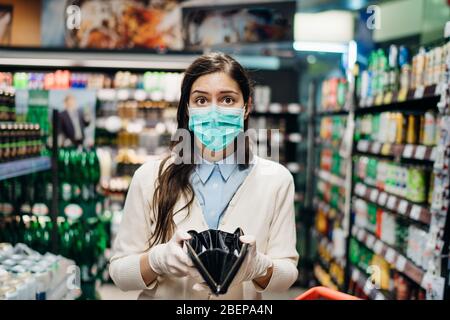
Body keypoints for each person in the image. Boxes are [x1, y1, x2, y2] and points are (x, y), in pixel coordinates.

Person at [109, 52, 299, 299]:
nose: (213, 112)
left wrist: (258, 267)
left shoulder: (276, 181)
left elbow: (286, 274)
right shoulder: (149, 178)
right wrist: (156, 261)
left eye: (227, 99)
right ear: (187, 109)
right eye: (201, 100)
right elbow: (120, 273)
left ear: (246, 107)